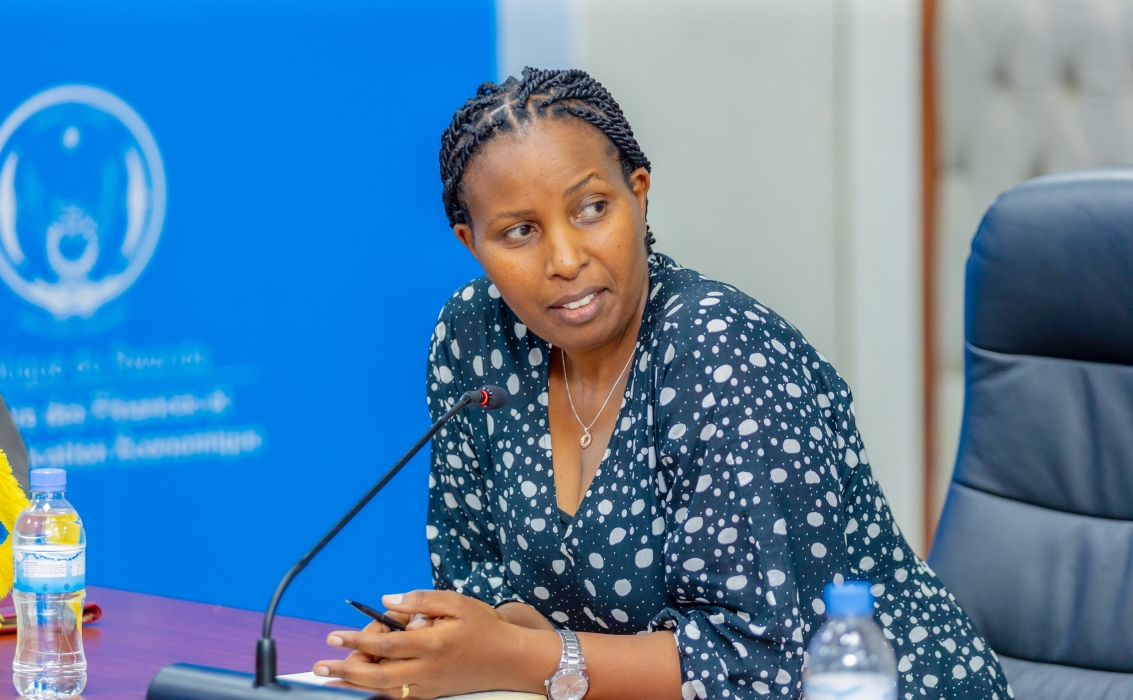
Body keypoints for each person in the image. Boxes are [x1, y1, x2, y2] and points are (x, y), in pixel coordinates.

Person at [314, 68, 1012, 700]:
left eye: (592, 209)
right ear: (472, 244)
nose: (565, 258)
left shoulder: (722, 352)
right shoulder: (475, 339)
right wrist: (470, 644)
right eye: (520, 231)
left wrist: (519, 655)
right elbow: (481, 586)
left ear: (637, 194)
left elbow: (756, 666)